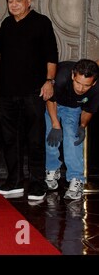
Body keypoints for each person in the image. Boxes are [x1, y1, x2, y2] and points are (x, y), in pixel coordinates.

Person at [0, 0, 59, 201]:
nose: (13, 4)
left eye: (18, 0)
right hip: (7, 93)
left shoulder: (42, 23)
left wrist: (49, 81)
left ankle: (38, 184)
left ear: (28, 0)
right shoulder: (6, 24)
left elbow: (52, 55)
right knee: (10, 140)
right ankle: (14, 182)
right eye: (10, 1)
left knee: (35, 140)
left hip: (34, 93)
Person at [45, 59, 99, 200]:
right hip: (54, 103)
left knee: (72, 138)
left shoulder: (97, 89)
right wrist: (55, 124)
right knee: (50, 137)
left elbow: (88, 110)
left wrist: (82, 126)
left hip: (73, 108)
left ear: (93, 83)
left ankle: (76, 179)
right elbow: (50, 100)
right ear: (72, 76)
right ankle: (51, 169)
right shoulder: (61, 76)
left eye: (86, 85)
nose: (80, 89)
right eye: (78, 82)